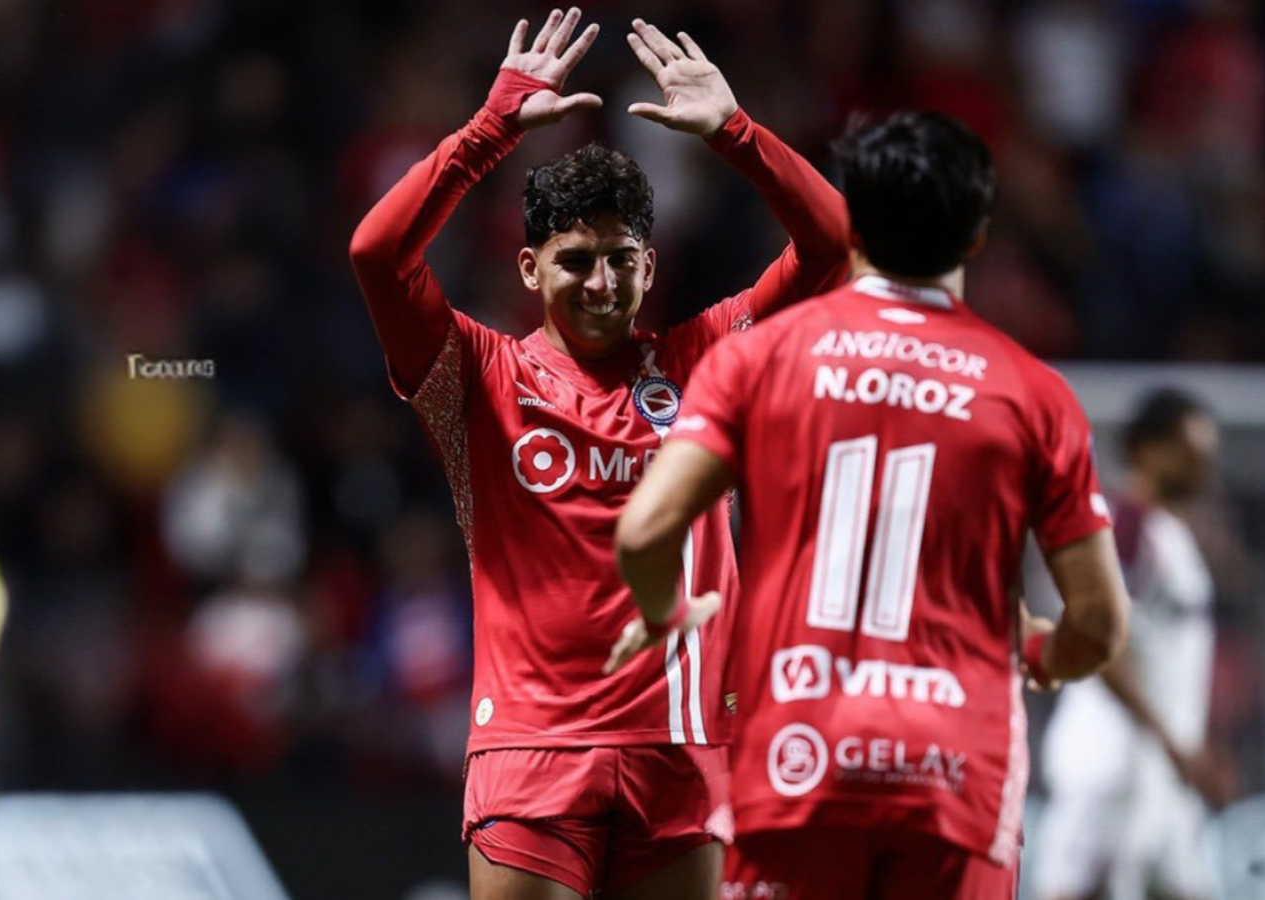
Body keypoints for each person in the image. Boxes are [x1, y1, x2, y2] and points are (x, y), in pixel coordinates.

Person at [349, 9, 850, 900]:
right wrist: (488, 132)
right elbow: (377, 253)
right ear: (530, 268)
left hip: (682, 748)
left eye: (622, 259)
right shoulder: (478, 376)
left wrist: (736, 134)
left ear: (650, 267)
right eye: (576, 260)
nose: (602, 283)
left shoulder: (709, 360)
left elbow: (833, 246)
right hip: (532, 752)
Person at [608, 111, 1129, 900]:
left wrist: (661, 612)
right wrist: (1044, 655)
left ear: (853, 229)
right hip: (956, 777)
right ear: (978, 236)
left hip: (796, 763)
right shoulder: (1033, 393)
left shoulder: (758, 359)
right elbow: (1100, 624)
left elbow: (646, 531)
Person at [1031, 388, 1224, 900]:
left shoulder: (1170, 533)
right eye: (1189, 449)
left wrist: (1186, 742)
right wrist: (1168, 737)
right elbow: (1097, 638)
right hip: (1110, 756)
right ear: (1145, 449)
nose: (1204, 464)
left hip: (1160, 762)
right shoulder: (1124, 527)